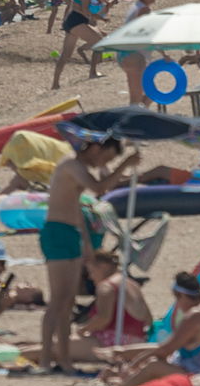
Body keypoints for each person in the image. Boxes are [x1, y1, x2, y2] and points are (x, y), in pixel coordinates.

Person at [39, 132, 134, 373]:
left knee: (68, 300)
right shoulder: (71, 164)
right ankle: (45, 360)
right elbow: (99, 188)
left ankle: (63, 359)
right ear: (95, 148)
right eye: (107, 158)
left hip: (72, 233)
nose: (104, 164)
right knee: (58, 300)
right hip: (58, 233)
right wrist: (125, 164)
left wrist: (87, 244)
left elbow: (76, 205)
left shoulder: (78, 167)